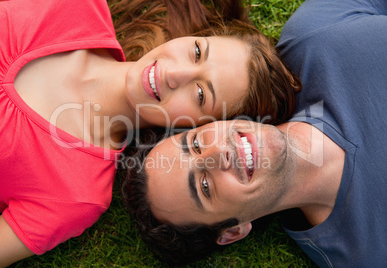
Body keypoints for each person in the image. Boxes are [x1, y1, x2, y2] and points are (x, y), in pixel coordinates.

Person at [0, 0, 302, 266]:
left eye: (201, 94)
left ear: (200, 129)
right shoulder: (77, 6)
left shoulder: (76, 193)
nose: (174, 73)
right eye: (196, 52)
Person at [121, 0, 387, 266]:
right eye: (204, 186)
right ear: (233, 232)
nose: (219, 153)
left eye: (196, 144)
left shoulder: (315, 36)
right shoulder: (366, 256)